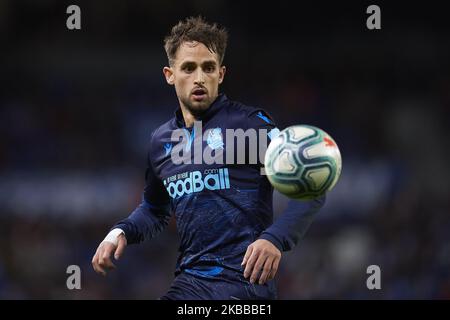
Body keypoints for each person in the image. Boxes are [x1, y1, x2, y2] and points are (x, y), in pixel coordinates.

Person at [92, 16, 325, 300]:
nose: (199, 77)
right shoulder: (161, 141)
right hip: (190, 284)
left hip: (245, 286)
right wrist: (120, 231)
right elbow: (155, 210)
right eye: (188, 68)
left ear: (221, 74)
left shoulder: (250, 126)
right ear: (169, 74)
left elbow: (311, 189)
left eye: (208, 68)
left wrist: (275, 239)